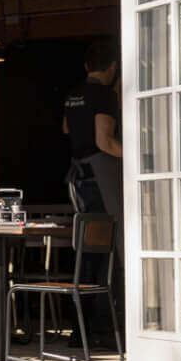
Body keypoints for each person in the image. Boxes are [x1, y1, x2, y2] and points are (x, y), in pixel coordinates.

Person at [63, 37, 122, 231]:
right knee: (111, 233)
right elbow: (105, 143)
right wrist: (139, 160)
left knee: (90, 235)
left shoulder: (73, 93)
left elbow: (66, 128)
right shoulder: (105, 95)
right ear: (113, 67)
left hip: (78, 176)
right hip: (100, 176)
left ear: (87, 65)